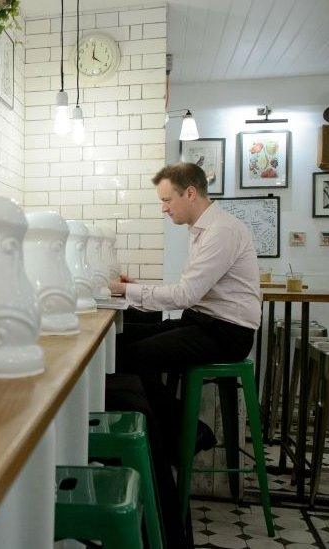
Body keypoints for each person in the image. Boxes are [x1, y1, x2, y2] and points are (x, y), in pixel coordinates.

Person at [108, 161, 261, 451]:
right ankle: (173, 433)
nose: (164, 208)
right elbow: (192, 292)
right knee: (120, 343)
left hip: (227, 333)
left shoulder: (222, 231)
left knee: (133, 355)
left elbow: (185, 294)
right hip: (204, 322)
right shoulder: (204, 229)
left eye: (167, 200)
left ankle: (181, 435)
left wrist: (125, 290)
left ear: (190, 193)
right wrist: (133, 287)